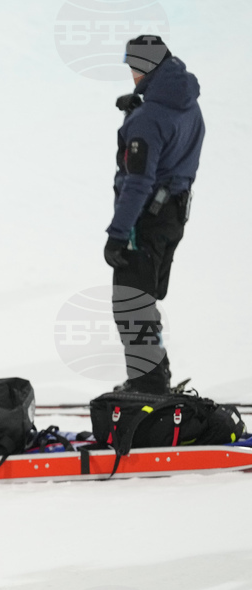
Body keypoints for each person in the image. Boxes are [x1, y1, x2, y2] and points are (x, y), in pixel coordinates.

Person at [104, 35, 204, 394]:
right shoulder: (187, 103)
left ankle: (148, 385)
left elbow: (139, 181)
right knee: (143, 298)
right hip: (173, 215)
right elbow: (171, 150)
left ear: (146, 67)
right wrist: (137, 112)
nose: (131, 73)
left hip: (145, 218)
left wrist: (118, 234)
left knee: (130, 301)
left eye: (134, 66)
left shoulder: (149, 120)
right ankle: (154, 377)